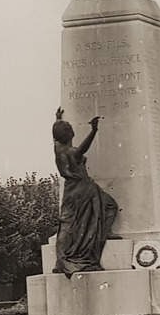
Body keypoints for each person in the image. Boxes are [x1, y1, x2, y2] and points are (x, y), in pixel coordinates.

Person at [51, 107, 120, 276]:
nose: (72, 128)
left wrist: (58, 119)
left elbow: (56, 137)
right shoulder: (71, 152)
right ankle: (103, 234)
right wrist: (93, 130)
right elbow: (83, 148)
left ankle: (62, 255)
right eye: (69, 127)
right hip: (83, 188)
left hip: (72, 190)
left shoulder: (57, 148)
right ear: (69, 135)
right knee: (110, 206)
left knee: (68, 222)